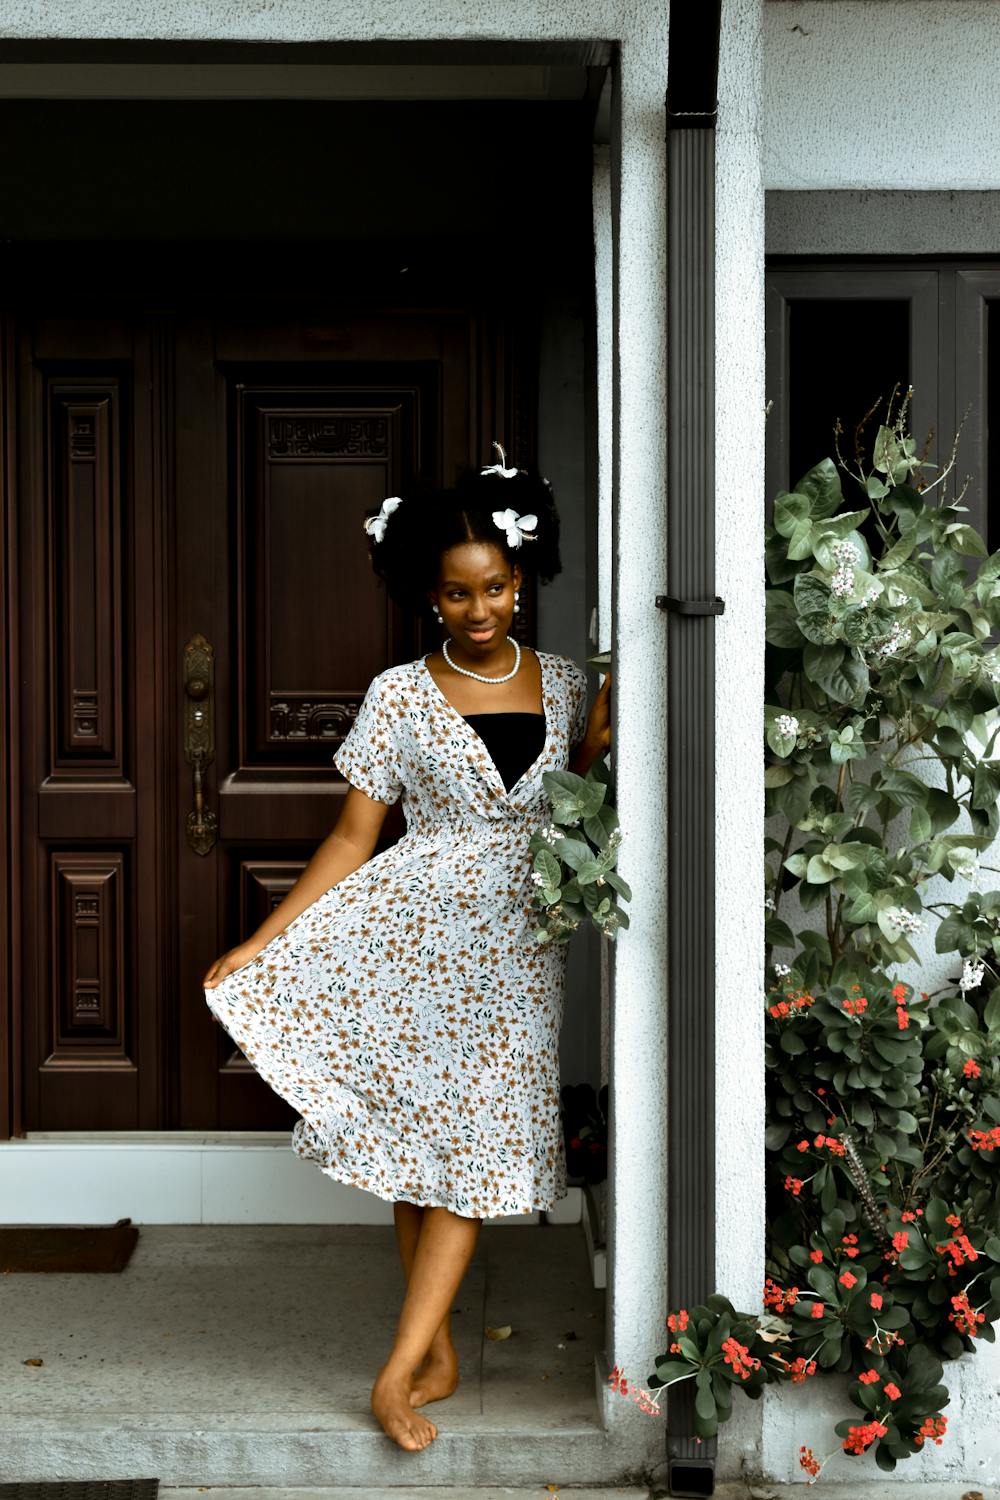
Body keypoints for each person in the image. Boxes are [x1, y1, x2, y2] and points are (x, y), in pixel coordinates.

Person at [203, 447, 612, 1452]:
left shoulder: (567, 687)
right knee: (415, 1148)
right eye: (456, 594)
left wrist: (607, 729)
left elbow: (595, 797)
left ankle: (394, 1371)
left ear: (523, 579)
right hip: (410, 939)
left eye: (496, 589)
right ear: (427, 596)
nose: (479, 611)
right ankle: (428, 1353)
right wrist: (261, 939)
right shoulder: (398, 694)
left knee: (471, 1152)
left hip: (518, 949)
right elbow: (354, 836)